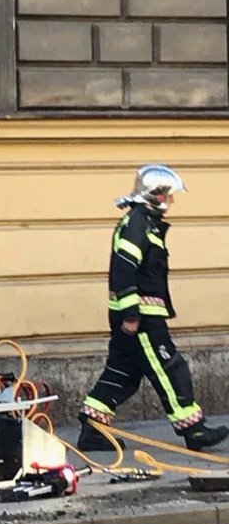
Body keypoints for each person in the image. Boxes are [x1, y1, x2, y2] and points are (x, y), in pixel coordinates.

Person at [78, 164, 229, 453]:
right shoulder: (138, 224)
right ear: (154, 195)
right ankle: (193, 430)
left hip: (138, 316)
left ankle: (92, 429)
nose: (171, 201)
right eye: (168, 195)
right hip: (142, 319)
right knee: (171, 369)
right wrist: (132, 314)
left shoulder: (142, 222)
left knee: (123, 376)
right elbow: (124, 269)